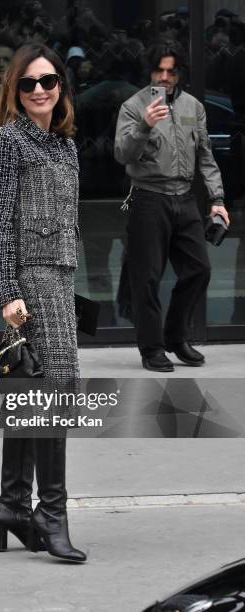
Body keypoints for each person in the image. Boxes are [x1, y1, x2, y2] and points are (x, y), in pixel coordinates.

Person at [0, 43, 86, 563]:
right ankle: (51, 514)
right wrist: (9, 293)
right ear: (15, 91)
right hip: (31, 279)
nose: (40, 90)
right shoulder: (6, 143)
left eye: (48, 81)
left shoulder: (64, 144)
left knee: (29, 390)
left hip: (61, 274)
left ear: (61, 87)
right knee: (56, 391)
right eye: (29, 83)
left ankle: (13, 506)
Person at [114, 42, 230, 372]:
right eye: (159, 70)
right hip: (148, 197)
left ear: (179, 74)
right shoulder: (133, 106)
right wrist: (145, 125)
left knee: (199, 270)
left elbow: (206, 156)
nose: (164, 77)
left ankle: (175, 337)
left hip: (185, 198)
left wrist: (217, 200)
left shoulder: (194, 106)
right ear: (150, 71)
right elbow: (122, 154)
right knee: (147, 277)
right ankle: (151, 349)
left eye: (171, 71)